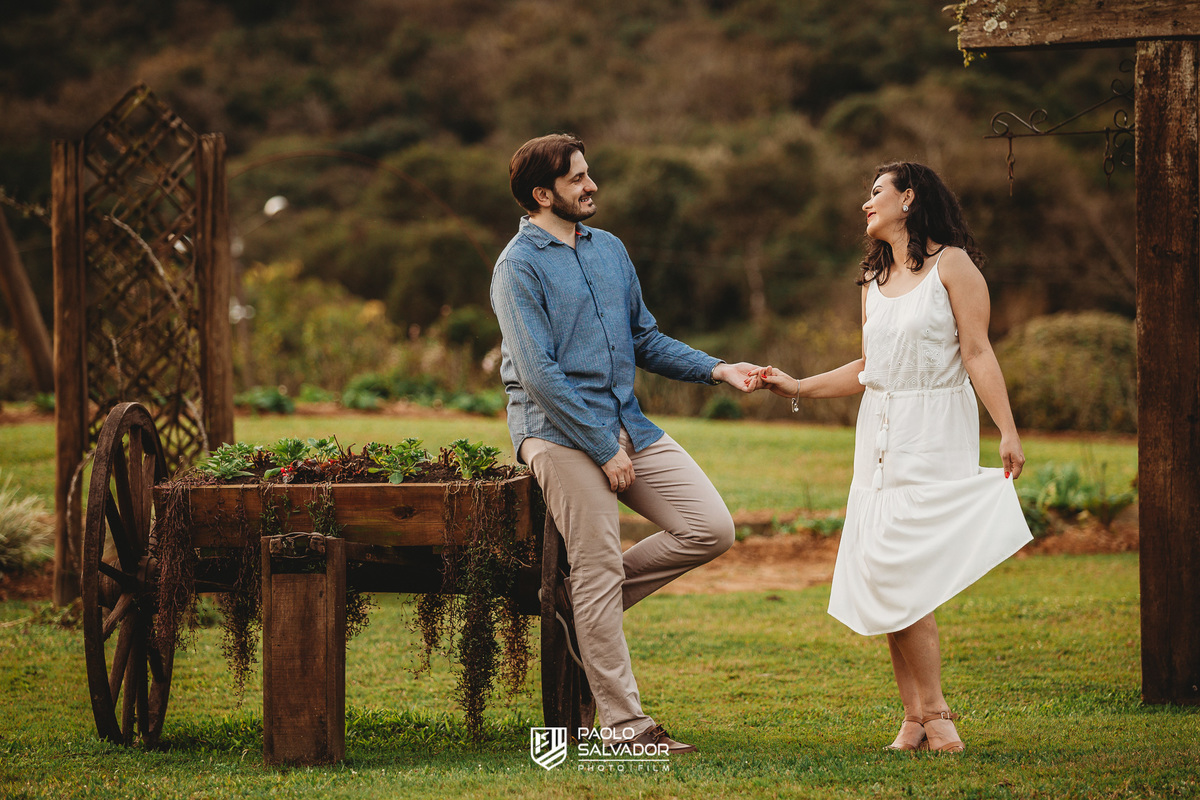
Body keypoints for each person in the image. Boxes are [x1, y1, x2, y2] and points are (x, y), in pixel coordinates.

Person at [749, 161, 1032, 753]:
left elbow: (977, 351)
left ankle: (936, 712)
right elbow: (867, 368)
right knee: (883, 568)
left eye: (875, 193)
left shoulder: (953, 266)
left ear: (909, 198)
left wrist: (1006, 428)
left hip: (932, 431)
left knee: (909, 571)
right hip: (877, 435)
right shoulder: (874, 282)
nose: (865, 204)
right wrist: (797, 385)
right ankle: (913, 717)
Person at [490, 133, 759, 754]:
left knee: (710, 527)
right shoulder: (518, 265)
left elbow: (646, 339)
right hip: (555, 432)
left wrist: (717, 369)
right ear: (542, 193)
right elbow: (538, 375)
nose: (591, 186)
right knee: (598, 560)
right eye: (577, 178)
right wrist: (601, 446)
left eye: (589, 174)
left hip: (627, 424)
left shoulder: (609, 250)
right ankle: (621, 725)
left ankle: (574, 602)